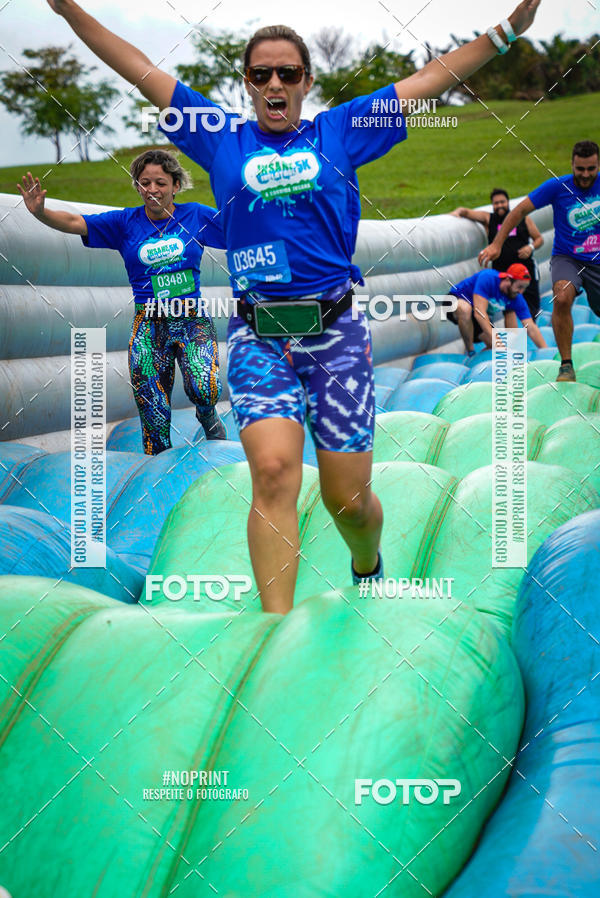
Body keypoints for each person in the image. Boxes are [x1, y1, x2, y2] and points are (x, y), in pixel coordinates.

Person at [46, 0, 542, 613]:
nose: (274, 84)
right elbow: (140, 69)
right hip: (258, 337)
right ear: (247, 83)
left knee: (347, 501)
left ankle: (367, 562)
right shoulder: (220, 138)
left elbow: (429, 78)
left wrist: (506, 31)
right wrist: (70, 12)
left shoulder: (341, 130)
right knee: (275, 474)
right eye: (261, 74)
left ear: (307, 81)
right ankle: (274, 632)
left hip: (336, 334)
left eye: (287, 73)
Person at [17, 149, 227, 454]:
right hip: (149, 323)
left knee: (204, 388)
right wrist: (40, 213)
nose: (152, 190)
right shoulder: (125, 222)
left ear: (175, 186)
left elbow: (238, 232)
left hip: (191, 319)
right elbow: (76, 222)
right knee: (153, 410)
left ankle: (207, 414)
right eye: (145, 183)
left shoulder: (195, 216)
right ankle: (159, 469)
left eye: (160, 183)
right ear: (137, 187)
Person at [480, 140, 600, 381]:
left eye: (591, 169)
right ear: (572, 165)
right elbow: (519, 211)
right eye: (580, 169)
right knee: (561, 296)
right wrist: (497, 244)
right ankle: (566, 364)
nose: (586, 175)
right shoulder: (558, 187)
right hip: (568, 258)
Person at [451, 187, 544, 317]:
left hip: (525, 271)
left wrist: (530, 247)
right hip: (504, 272)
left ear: (508, 202)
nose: (500, 205)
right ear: (492, 205)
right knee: (508, 309)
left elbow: (539, 239)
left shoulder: (523, 219)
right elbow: (467, 212)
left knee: (532, 305)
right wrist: (458, 212)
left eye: (502, 202)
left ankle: (531, 325)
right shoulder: (489, 219)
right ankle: (513, 330)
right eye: (496, 203)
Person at [447, 263, 547, 354]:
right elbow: (479, 313)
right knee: (465, 308)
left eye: (524, 288)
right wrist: (499, 344)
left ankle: (475, 360)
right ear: (508, 280)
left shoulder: (517, 298)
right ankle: (470, 350)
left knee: (493, 347)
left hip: (474, 313)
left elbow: (531, 327)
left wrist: (546, 351)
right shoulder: (488, 278)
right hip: (454, 301)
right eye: (519, 287)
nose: (521, 292)